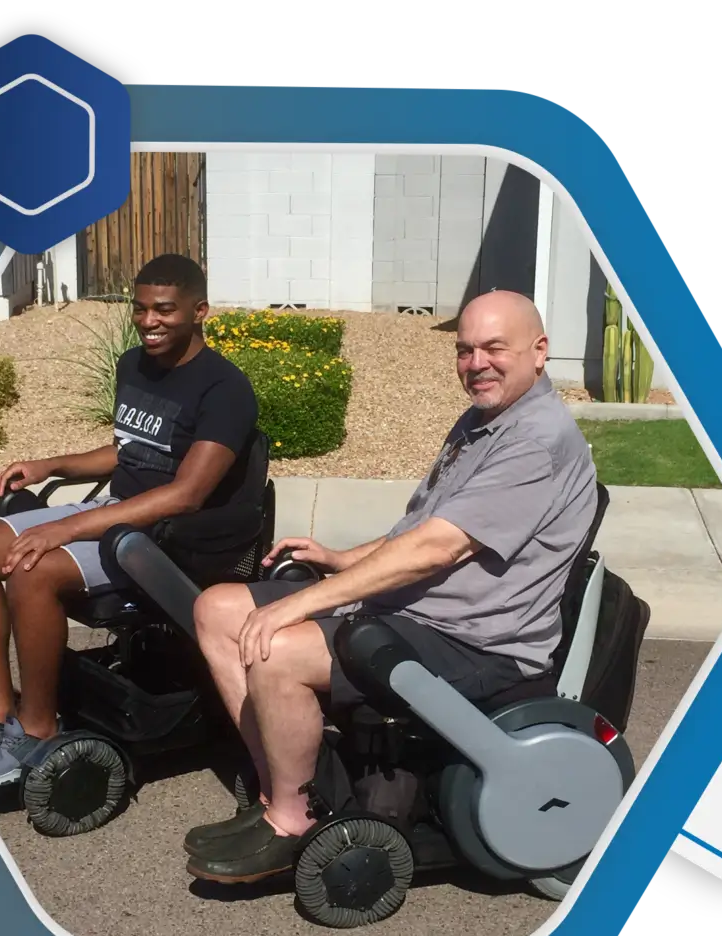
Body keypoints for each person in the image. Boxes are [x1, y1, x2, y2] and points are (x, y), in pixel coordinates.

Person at [184, 289, 599, 885]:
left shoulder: (536, 439)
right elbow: (421, 530)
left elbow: (440, 547)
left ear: (540, 353)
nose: (475, 363)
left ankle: (290, 822)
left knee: (275, 650)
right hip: (418, 609)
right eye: (464, 350)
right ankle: (282, 790)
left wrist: (304, 601)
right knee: (217, 608)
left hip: (475, 642)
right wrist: (340, 559)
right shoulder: (486, 420)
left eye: (493, 348)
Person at [0, 254, 259, 786]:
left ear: (199, 311)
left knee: (32, 567)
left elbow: (185, 494)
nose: (149, 321)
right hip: (113, 516)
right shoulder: (134, 365)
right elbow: (128, 450)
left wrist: (63, 528)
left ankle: (38, 728)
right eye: (140, 309)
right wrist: (51, 465)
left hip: (161, 541)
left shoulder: (225, 390)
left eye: (164, 310)